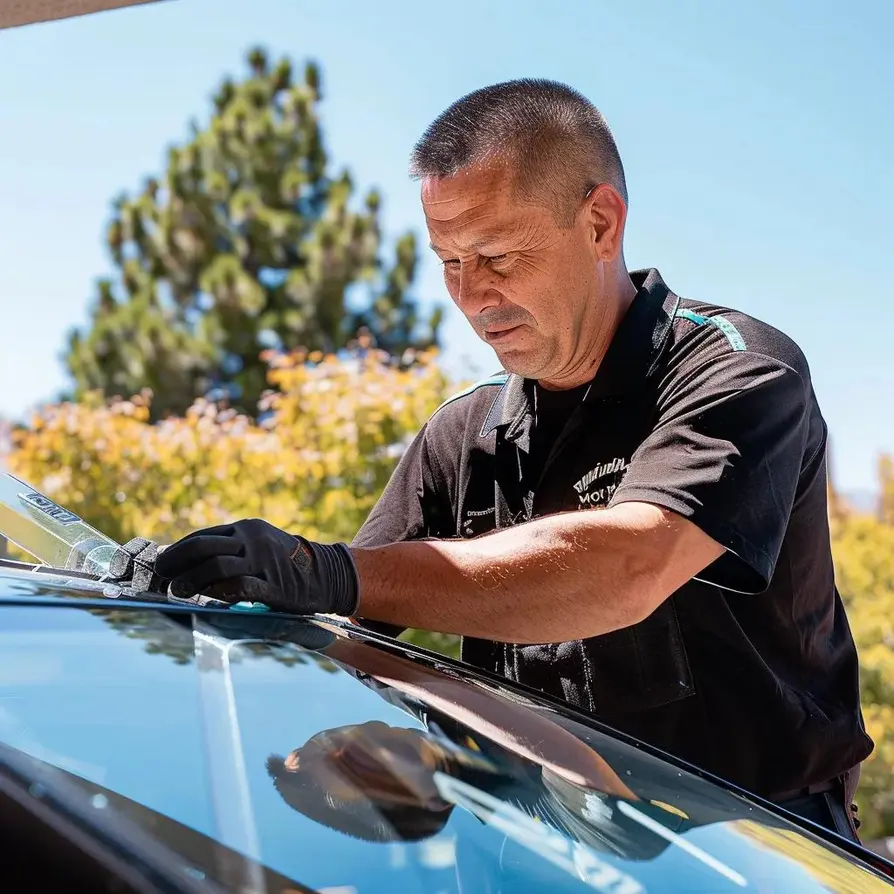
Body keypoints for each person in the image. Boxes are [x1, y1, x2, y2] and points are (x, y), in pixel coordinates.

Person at [111, 79, 872, 843]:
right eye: (448, 262)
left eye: (498, 256)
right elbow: (347, 622)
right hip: (533, 847)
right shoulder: (463, 433)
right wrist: (197, 609)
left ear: (601, 222)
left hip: (756, 850)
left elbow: (629, 563)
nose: (473, 298)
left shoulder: (735, 370)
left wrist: (325, 570)